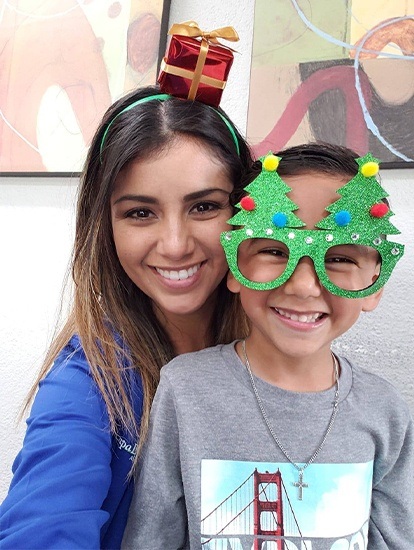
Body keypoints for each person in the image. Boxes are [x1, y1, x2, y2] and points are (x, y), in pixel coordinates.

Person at [122, 143, 413, 549]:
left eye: (340, 258)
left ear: (376, 283)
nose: (303, 286)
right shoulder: (184, 391)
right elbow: (152, 537)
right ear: (235, 266)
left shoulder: (387, 411)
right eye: (276, 251)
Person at [0, 84, 253, 549]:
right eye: (140, 212)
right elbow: (43, 524)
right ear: (105, 227)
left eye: (204, 206)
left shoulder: (290, 348)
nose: (175, 244)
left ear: (247, 212)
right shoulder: (90, 378)